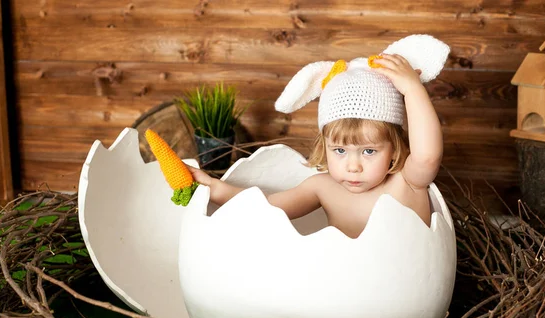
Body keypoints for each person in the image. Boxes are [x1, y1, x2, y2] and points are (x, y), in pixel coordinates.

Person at [187, 34, 450, 239]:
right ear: (324, 146)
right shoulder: (323, 188)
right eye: (339, 150)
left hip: (402, 295)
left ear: (393, 149)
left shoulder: (407, 181)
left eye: (369, 151)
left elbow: (427, 157)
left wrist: (413, 90)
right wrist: (216, 189)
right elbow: (266, 208)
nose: (353, 165)